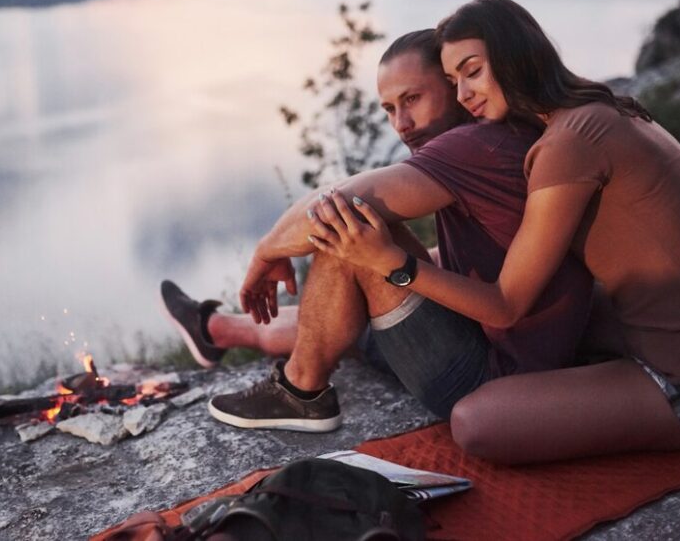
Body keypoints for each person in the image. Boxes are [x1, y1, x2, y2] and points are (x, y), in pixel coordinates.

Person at [306, 0, 680, 463]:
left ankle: (297, 381)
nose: (464, 94)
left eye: (473, 71)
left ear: (515, 55)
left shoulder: (569, 143)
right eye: (453, 81)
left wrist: (393, 264)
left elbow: (506, 305)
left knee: (476, 422)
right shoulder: (597, 109)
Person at [163, 29, 593, 433]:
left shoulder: (473, 145)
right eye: (389, 109)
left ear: (454, 88)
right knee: (348, 290)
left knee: (347, 230)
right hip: (497, 343)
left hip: (495, 380)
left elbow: (336, 205)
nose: (401, 123)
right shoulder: (501, 135)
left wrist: (265, 252)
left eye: (413, 99)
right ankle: (216, 329)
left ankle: (299, 390)